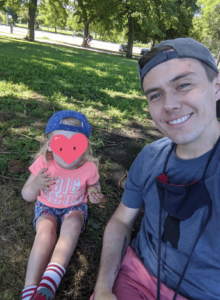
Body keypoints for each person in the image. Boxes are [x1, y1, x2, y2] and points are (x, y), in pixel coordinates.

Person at [92, 38, 220, 300]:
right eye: (155, 95)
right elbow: (120, 221)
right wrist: (103, 287)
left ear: (216, 86)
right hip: (135, 277)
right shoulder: (150, 156)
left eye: (183, 85)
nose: (169, 105)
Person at [21, 110, 104, 300]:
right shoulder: (44, 163)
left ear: (85, 147)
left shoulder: (89, 167)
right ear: (50, 145)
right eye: (61, 144)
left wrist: (95, 194)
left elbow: (93, 185)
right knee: (45, 233)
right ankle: (29, 289)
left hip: (74, 208)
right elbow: (26, 195)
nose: (68, 153)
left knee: (73, 224)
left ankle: (50, 281)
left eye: (76, 145)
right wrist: (35, 185)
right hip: (46, 208)